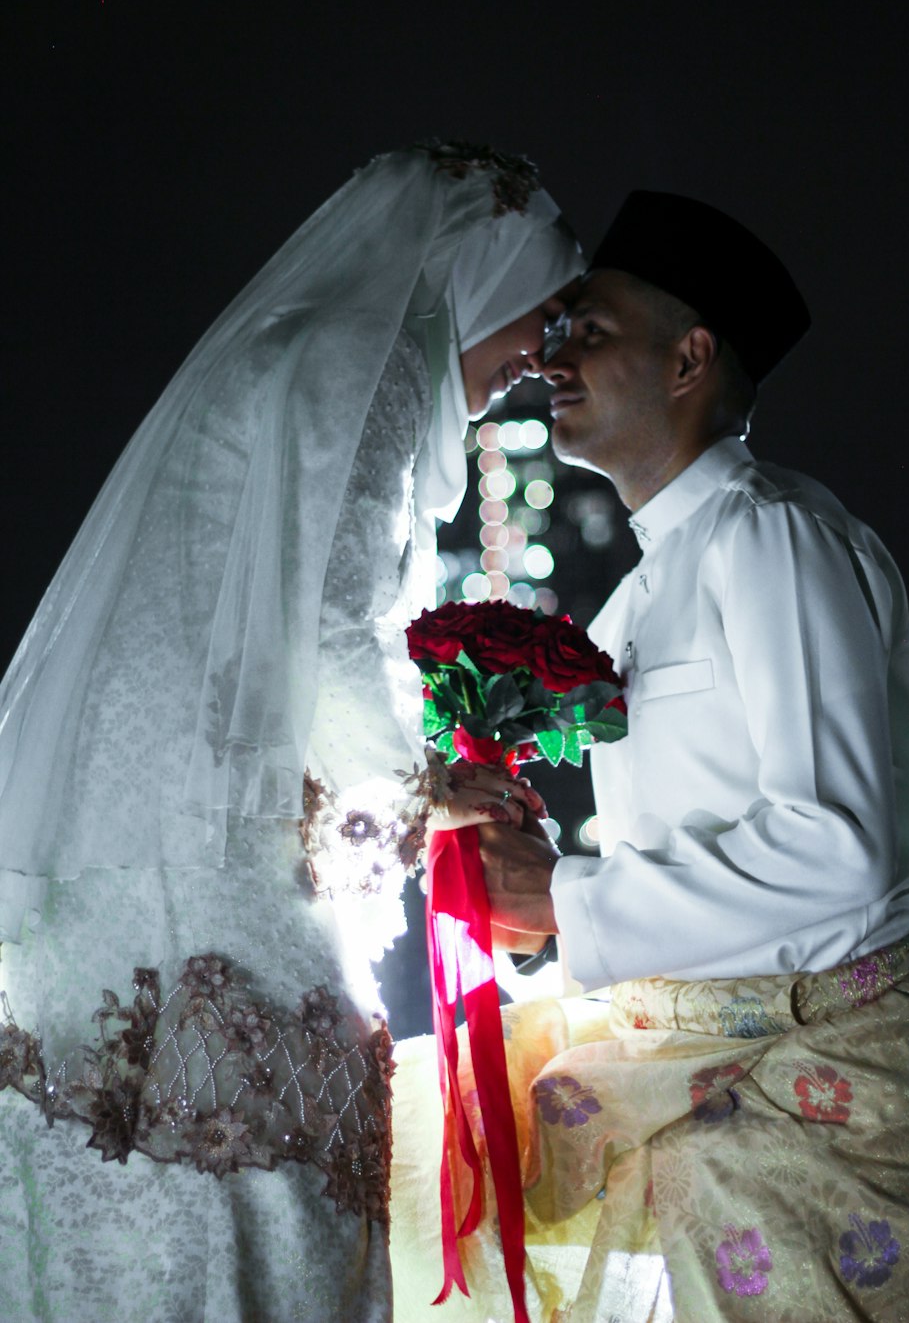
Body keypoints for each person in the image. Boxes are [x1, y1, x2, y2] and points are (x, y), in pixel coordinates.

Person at [0, 141, 583, 1322]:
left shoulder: (309, 349)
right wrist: (428, 784)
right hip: (213, 809)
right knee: (267, 1148)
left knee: (120, 1137)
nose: (539, 359)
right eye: (539, 317)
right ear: (478, 273)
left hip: (154, 790)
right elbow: (325, 619)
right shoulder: (358, 366)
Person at [390, 192, 909, 1320]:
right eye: (557, 334)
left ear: (690, 359)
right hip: (693, 1060)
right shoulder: (635, 596)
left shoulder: (771, 536)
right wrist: (524, 880)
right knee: (418, 1141)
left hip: (829, 1079)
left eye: (591, 331)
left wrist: (570, 898)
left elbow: (836, 847)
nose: (553, 357)